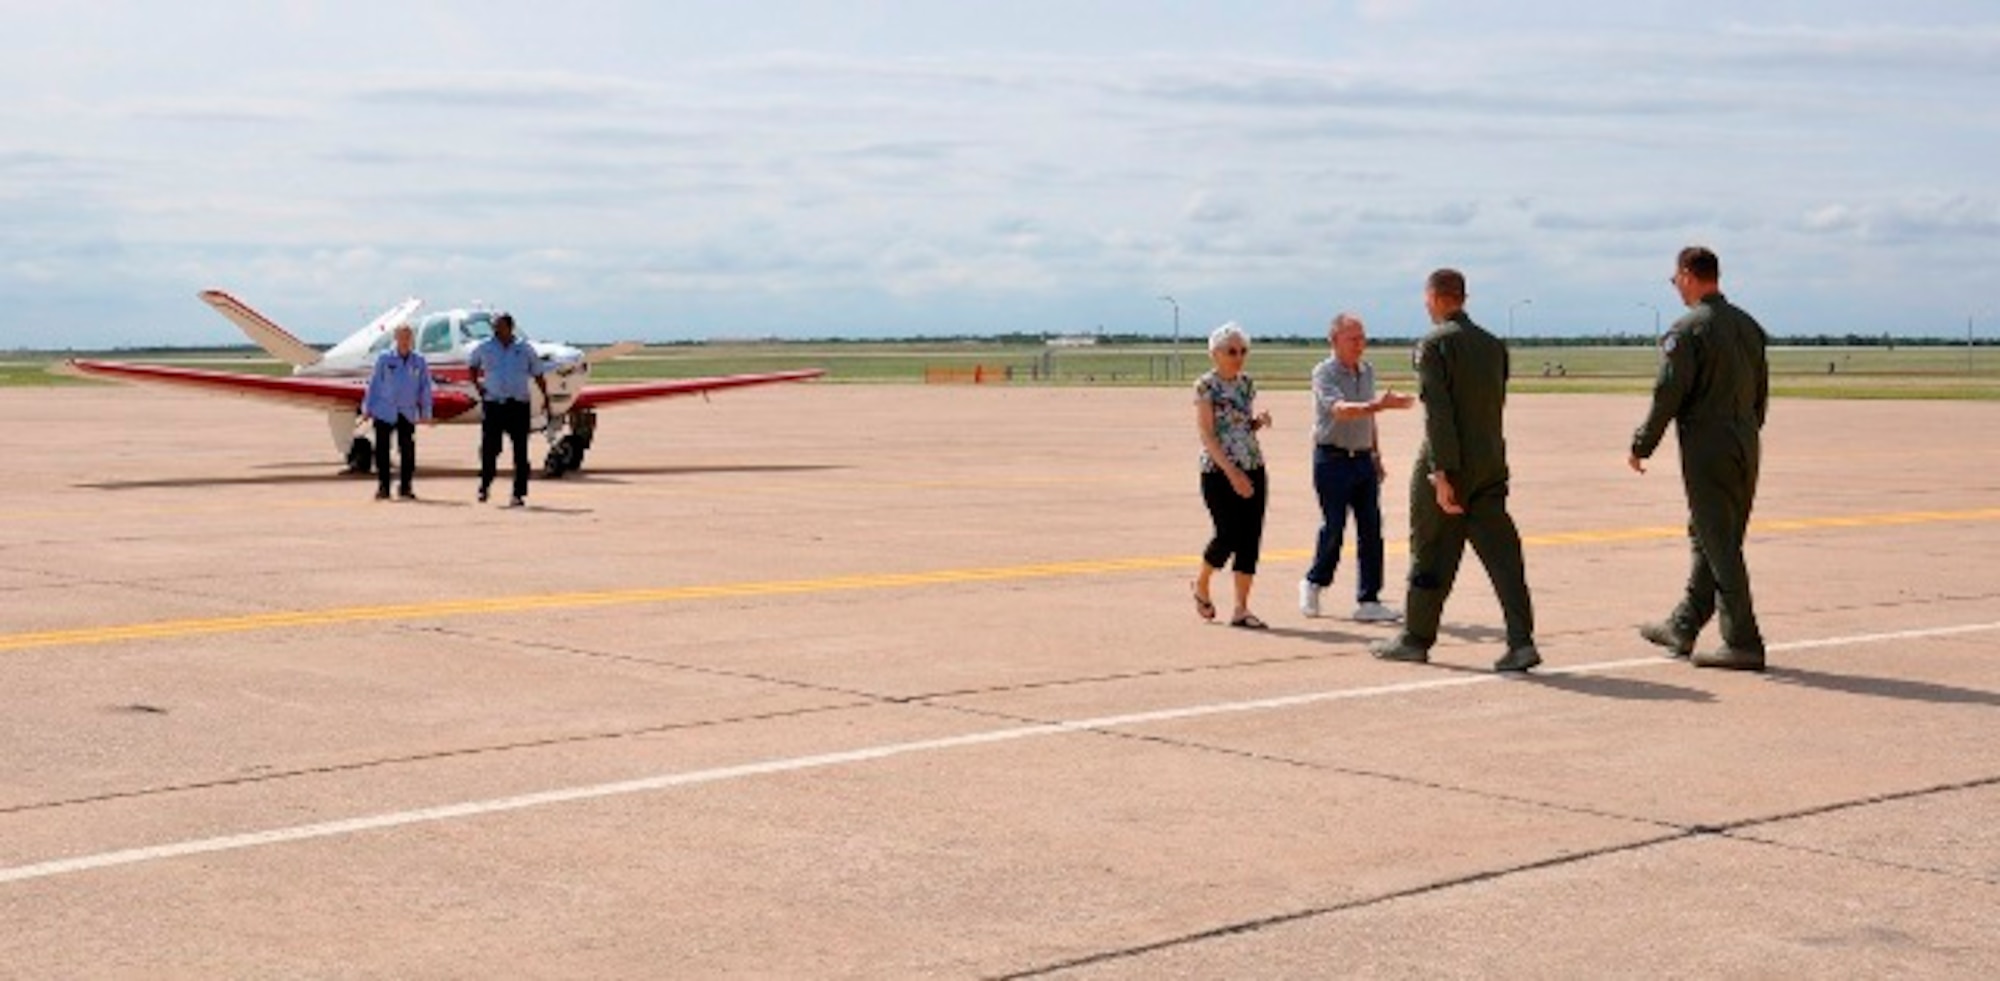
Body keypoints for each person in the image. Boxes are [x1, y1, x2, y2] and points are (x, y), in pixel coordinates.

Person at [1370, 269, 1541, 672]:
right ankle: (1521, 641)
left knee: (1429, 551)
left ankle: (1415, 637)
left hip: (1450, 464)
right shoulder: (1494, 346)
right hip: (1490, 464)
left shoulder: (1434, 345)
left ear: (1436, 297)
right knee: (1505, 558)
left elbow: (1439, 414)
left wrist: (1441, 472)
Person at [1629, 246, 1770, 671]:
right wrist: (1744, 432)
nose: (1676, 288)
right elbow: (1761, 396)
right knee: (1708, 535)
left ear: (1689, 275)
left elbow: (1668, 392)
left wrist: (1642, 443)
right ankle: (1684, 624)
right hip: (1745, 441)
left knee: (1719, 542)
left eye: (1675, 280)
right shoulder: (1748, 326)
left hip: (1709, 445)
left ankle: (1742, 641)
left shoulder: (1688, 330)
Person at [1299, 312, 1414, 622]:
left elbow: (1367, 418)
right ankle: (1314, 582)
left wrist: (1376, 454)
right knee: (1334, 527)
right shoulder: (1324, 373)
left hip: (1362, 460)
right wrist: (1380, 404)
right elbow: (1340, 411)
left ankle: (1369, 600)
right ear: (1334, 340)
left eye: (1362, 338)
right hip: (1332, 459)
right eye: (1353, 338)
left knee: (1372, 529)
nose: (1360, 344)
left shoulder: (1367, 371)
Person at [1191, 322, 1273, 630]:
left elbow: (1238, 426)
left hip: (1253, 465)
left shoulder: (1246, 384)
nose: (1239, 356)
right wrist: (1232, 473)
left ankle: (1241, 608)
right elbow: (1208, 435)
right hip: (1217, 470)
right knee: (1227, 534)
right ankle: (1201, 584)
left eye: (1243, 351)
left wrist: (1256, 423)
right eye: (1232, 351)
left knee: (1250, 537)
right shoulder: (1205, 387)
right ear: (1215, 354)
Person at [466, 312, 550, 507]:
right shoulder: (484, 347)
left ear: (510, 327)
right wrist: (477, 385)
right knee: (490, 449)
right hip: (494, 404)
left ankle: (518, 494)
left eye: (500, 326)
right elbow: (472, 365)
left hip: (518, 405)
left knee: (521, 451)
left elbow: (537, 373)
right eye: (495, 326)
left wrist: (545, 396)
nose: (496, 330)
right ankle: (485, 485)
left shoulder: (525, 349)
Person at [359, 322, 434, 500]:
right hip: (385, 410)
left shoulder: (419, 361)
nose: (405, 340)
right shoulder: (385, 359)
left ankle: (406, 487)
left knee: (408, 451)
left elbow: (425, 388)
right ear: (396, 338)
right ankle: (384, 487)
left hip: (407, 412)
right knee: (383, 450)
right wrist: (367, 408)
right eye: (402, 336)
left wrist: (426, 412)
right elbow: (374, 384)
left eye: (408, 337)